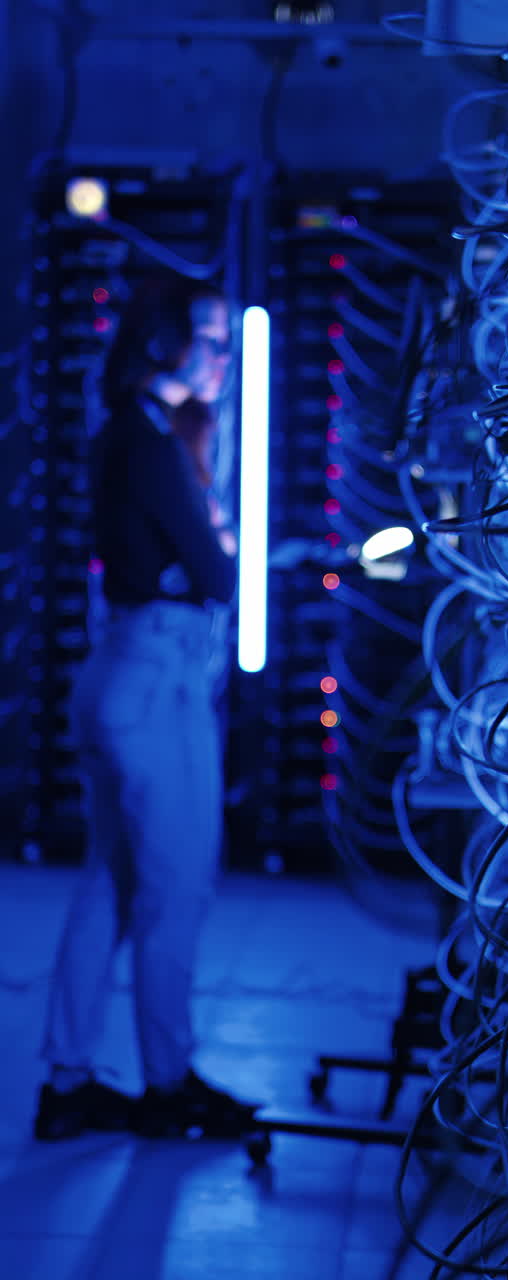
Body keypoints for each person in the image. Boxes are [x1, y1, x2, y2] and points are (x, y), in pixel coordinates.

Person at [34, 275, 260, 1141]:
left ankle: (69, 1081)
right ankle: (169, 1085)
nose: (221, 358)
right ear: (159, 340)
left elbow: (188, 561)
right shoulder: (150, 442)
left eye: (226, 343)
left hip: (122, 673)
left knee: (114, 885)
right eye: (207, 338)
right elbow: (212, 574)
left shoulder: (135, 435)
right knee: (176, 889)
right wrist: (220, 546)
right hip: (156, 682)